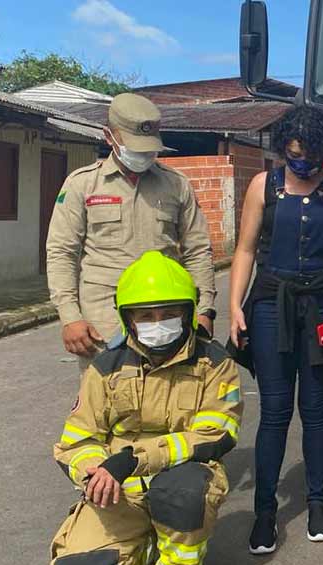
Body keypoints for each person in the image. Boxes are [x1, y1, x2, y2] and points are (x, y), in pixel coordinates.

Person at [48, 251, 242, 565]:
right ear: (127, 319)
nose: (158, 324)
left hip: (182, 474)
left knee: (183, 493)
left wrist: (132, 460)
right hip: (120, 489)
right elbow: (77, 437)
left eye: (169, 313)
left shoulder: (215, 364)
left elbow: (215, 434)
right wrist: (93, 470)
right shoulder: (105, 367)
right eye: (146, 316)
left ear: (187, 314)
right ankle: (140, 554)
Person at [227, 106, 323, 555]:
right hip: (270, 304)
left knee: (318, 409)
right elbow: (245, 249)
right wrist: (234, 306)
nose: (300, 162)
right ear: (283, 146)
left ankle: (318, 500)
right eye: (293, 153)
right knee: (275, 410)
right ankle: (265, 510)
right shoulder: (263, 185)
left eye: (309, 155)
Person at [47, 93, 216, 370]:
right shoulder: (82, 185)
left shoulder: (176, 185)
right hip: (103, 321)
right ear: (108, 136)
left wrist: (205, 310)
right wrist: (70, 318)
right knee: (105, 405)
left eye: (148, 149)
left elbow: (198, 250)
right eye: (135, 147)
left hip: (167, 317)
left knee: (170, 401)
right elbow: (61, 253)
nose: (143, 155)